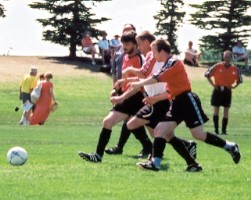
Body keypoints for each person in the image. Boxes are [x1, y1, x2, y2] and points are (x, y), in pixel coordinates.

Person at [129, 39, 241, 171]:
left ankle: (230, 146)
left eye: (154, 52)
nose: (153, 55)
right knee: (160, 130)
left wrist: (138, 84)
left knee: (198, 134)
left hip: (187, 100)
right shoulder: (167, 63)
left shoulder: (174, 62)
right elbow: (160, 79)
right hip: (176, 102)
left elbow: (158, 77)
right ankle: (157, 163)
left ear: (162, 51)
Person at [112, 31, 200, 171]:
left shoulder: (154, 57)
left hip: (159, 100)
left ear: (147, 43)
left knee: (139, 126)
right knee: (162, 133)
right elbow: (148, 77)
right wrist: (127, 80)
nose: (139, 47)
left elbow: (145, 74)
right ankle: (189, 158)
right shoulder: (152, 56)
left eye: (140, 44)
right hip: (154, 99)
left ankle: (154, 158)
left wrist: (129, 72)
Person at [78, 31, 152, 162]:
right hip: (126, 96)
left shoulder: (140, 59)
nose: (124, 47)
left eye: (128, 44)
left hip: (135, 97)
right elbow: (123, 79)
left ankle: (98, 155)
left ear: (136, 45)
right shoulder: (125, 57)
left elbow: (140, 83)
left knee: (110, 122)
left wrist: (122, 98)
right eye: (123, 44)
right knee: (140, 127)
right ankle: (152, 148)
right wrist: (115, 90)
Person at [105, 24, 152, 158]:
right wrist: (115, 89)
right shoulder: (120, 53)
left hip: (136, 92)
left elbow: (143, 75)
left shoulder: (139, 56)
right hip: (124, 89)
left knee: (142, 123)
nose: (124, 43)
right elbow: (116, 73)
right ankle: (147, 146)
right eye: (124, 33)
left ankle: (147, 147)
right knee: (132, 122)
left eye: (129, 33)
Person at [205, 50, 242, 135]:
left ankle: (224, 131)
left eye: (228, 56)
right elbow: (207, 75)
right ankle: (216, 130)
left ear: (231, 57)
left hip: (227, 91)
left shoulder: (234, 68)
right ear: (223, 57)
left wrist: (233, 87)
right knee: (216, 111)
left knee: (226, 111)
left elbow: (239, 80)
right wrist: (214, 85)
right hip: (218, 90)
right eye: (225, 56)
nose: (227, 58)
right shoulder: (217, 66)